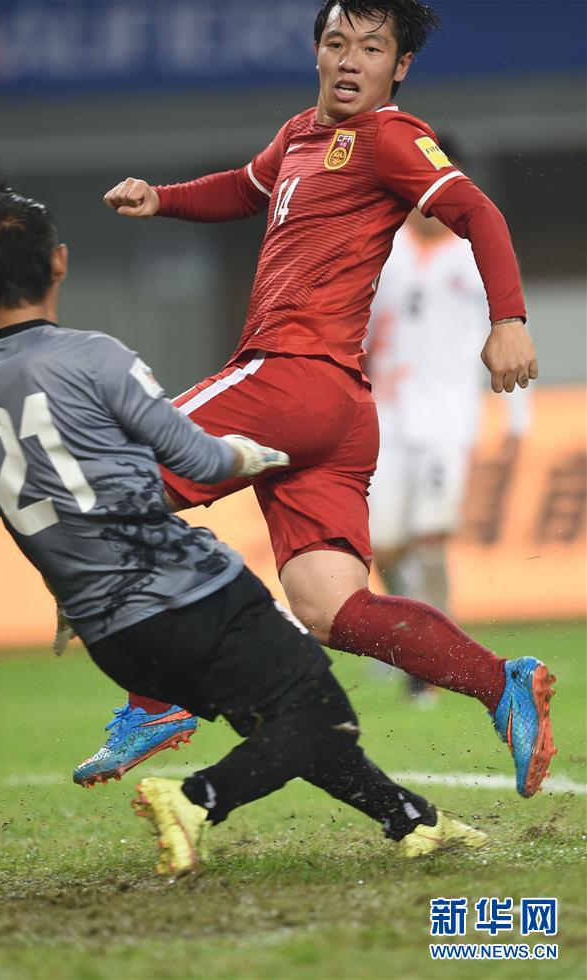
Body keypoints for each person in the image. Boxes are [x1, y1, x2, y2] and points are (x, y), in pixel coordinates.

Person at [74, 0, 556, 798]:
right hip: (338, 410)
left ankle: (154, 701)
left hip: (291, 375)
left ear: (398, 67)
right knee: (329, 607)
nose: (349, 59)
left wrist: (508, 318)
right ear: (316, 51)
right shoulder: (302, 133)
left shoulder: (392, 137)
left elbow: (476, 211)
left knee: (116, 484)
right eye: (336, 42)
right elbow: (243, 187)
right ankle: (498, 680)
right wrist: (163, 198)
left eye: (371, 47)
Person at [0, 181, 489, 877]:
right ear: (59, 263)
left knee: (276, 716)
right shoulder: (95, 358)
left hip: (107, 632)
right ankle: (195, 799)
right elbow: (197, 456)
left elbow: (17, 504)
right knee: (319, 716)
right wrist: (259, 453)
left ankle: (411, 820)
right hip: (190, 593)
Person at [365, 137, 530, 701]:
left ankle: (431, 667)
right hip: (386, 414)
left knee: (431, 539)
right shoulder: (384, 249)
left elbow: (508, 332)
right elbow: (359, 331)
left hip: (448, 416)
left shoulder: (478, 251)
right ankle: (403, 641)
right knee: (381, 546)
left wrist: (516, 413)